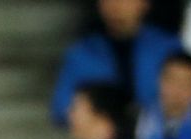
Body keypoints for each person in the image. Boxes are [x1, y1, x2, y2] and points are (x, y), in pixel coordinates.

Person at [50, 0, 182, 125]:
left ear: (144, 3)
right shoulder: (81, 54)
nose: (116, 6)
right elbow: (61, 109)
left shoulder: (168, 49)